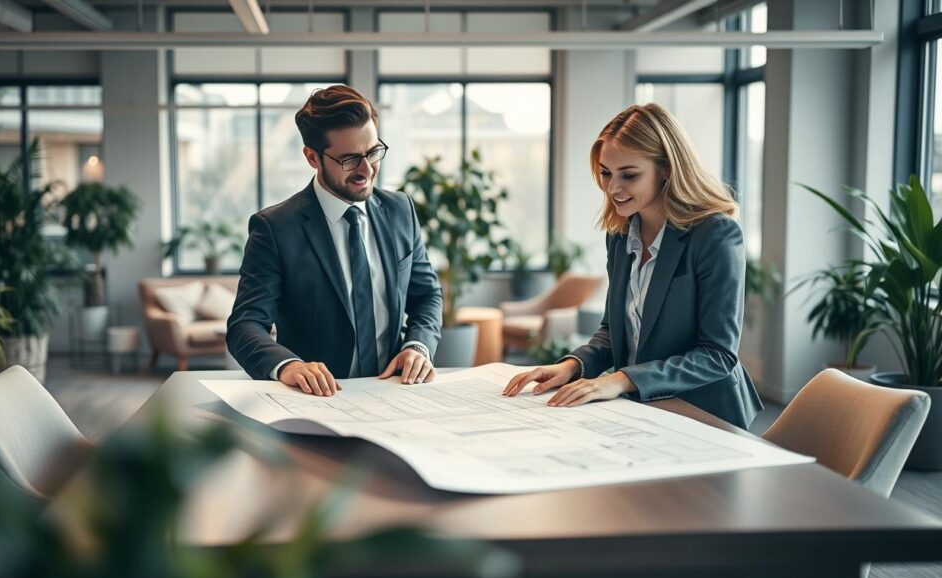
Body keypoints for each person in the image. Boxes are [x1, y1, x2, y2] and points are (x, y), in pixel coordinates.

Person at [502, 103, 763, 429]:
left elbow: (717, 355)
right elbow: (614, 331)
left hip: (705, 414)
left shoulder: (714, 235)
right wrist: (572, 365)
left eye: (629, 175)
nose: (612, 188)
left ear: (666, 168)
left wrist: (622, 379)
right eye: (606, 173)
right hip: (645, 410)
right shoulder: (620, 234)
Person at [227, 85, 443, 396]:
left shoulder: (401, 211)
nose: (367, 169)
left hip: (397, 394)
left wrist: (417, 346)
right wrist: (289, 366)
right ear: (312, 157)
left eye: (373, 152)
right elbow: (245, 325)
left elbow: (427, 296)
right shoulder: (274, 228)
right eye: (350, 159)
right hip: (318, 402)